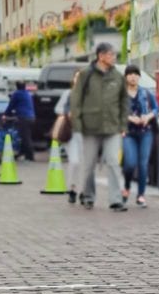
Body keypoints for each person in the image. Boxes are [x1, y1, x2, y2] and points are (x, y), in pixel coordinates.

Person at [70, 42, 128, 211]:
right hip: (90, 127)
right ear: (101, 56)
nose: (114, 57)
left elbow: (125, 102)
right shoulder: (85, 75)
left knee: (113, 162)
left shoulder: (118, 76)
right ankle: (88, 196)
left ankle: (116, 199)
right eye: (111, 54)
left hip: (113, 127)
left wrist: (123, 124)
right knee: (88, 165)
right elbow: (76, 100)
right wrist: (78, 124)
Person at [122, 64, 159, 207]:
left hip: (145, 132)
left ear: (139, 76)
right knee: (130, 163)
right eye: (130, 74)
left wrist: (148, 116)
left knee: (143, 164)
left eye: (135, 74)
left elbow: (156, 108)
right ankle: (126, 186)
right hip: (128, 132)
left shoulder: (146, 93)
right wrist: (130, 118)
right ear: (126, 77)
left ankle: (141, 195)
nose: (133, 77)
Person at [54, 69, 82, 203]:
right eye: (77, 77)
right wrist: (68, 113)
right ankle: (72, 188)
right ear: (73, 80)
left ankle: (83, 190)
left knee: (85, 163)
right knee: (74, 161)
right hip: (71, 133)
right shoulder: (68, 94)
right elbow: (58, 108)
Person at [6, 79, 36, 161]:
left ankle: (30, 156)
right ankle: (21, 153)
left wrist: (5, 114)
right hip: (31, 117)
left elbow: (11, 105)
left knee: (25, 137)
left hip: (23, 118)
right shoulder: (28, 94)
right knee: (24, 135)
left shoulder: (17, 94)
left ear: (17, 86)